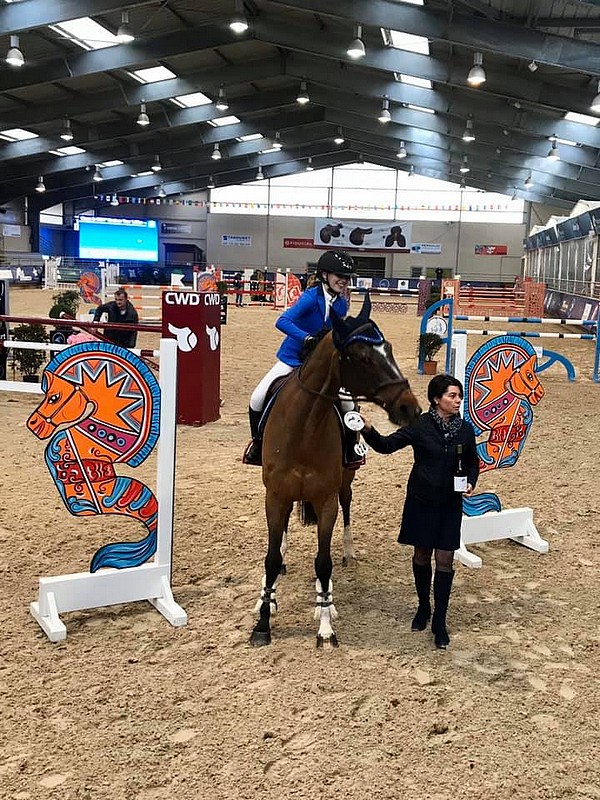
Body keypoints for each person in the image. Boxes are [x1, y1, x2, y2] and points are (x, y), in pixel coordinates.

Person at [360, 374, 479, 650]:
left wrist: (472, 480)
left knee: (446, 560)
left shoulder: (465, 430)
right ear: (436, 399)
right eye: (452, 396)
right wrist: (367, 429)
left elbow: (473, 462)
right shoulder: (419, 425)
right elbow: (386, 446)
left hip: (450, 503)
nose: (458, 400)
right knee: (422, 555)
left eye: (459, 396)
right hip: (422, 501)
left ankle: (440, 620)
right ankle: (423, 606)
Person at [244, 250, 358, 467]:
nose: (344, 281)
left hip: (321, 364)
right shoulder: (310, 298)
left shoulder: (342, 303)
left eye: (347, 277)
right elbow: (282, 321)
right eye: (339, 275)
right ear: (325, 275)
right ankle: (258, 444)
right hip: (292, 358)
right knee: (257, 397)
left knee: (348, 403)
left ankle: (350, 449)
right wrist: (305, 338)